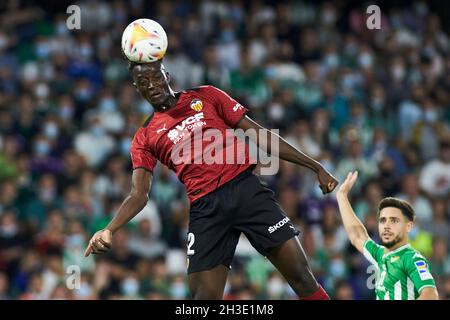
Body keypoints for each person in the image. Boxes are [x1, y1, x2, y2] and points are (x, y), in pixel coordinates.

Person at [84, 59, 338, 300]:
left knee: (302, 279)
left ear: (167, 75)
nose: (151, 85)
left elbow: (260, 134)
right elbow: (139, 194)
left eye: (155, 76)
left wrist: (315, 166)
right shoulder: (144, 138)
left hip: (246, 191)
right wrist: (109, 229)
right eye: (143, 81)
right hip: (206, 210)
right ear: (136, 88)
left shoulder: (206, 95)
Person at [335, 171, 439, 300]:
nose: (386, 226)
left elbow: (430, 295)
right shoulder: (380, 255)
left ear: (408, 226)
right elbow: (357, 236)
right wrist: (342, 196)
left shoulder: (412, 258)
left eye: (394, 220)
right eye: (383, 220)